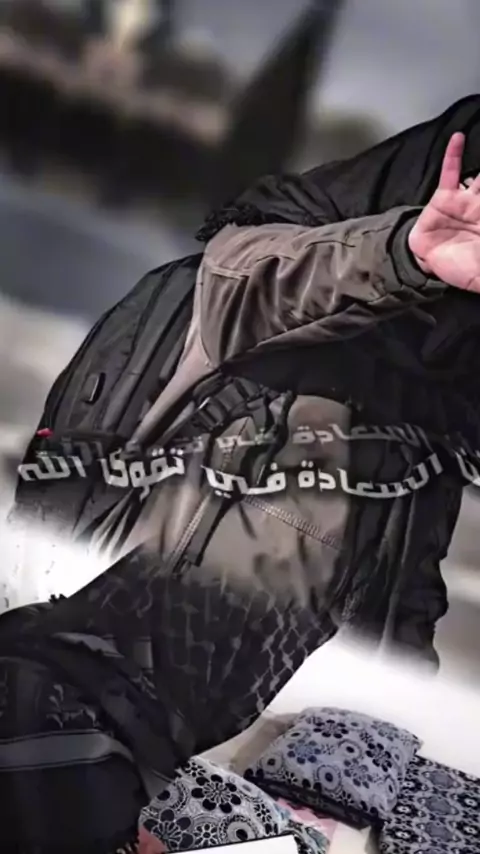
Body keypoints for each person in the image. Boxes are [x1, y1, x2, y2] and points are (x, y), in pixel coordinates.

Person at [2, 98, 480, 852]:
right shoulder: (263, 293)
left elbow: (400, 614)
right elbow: (246, 279)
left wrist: (369, 777)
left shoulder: (434, 407)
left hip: (206, 767)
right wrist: (406, 252)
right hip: (81, 709)